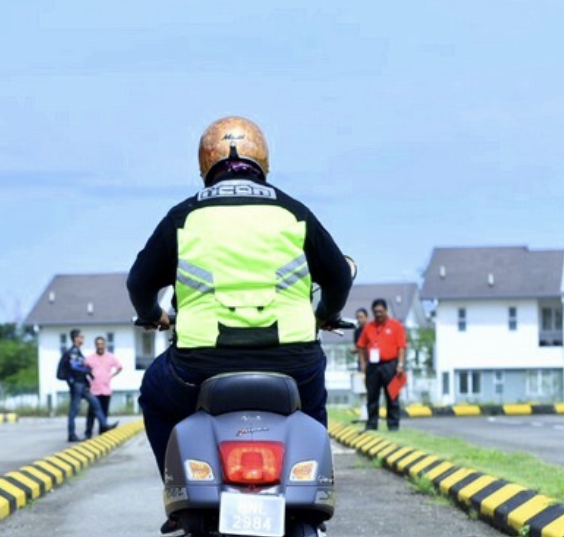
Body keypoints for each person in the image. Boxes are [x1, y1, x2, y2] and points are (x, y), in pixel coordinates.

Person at [128, 115, 353, 476]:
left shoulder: (184, 216)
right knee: (312, 411)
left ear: (205, 163)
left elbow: (139, 283)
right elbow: (339, 276)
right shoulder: (294, 212)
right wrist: (326, 313)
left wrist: (154, 315)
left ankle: (178, 484)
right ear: (263, 160)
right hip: (293, 363)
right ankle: (313, 483)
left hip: (200, 366)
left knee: (154, 394)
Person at [357, 297, 407, 431]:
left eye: (380, 311)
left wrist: (400, 365)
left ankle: (393, 425)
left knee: (392, 396)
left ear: (386, 310)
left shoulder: (396, 326)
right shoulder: (369, 327)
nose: (378, 314)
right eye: (375, 312)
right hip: (373, 366)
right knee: (372, 396)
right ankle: (372, 424)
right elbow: (361, 346)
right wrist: (363, 363)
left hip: (391, 365)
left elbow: (402, 347)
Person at [59, 329, 114, 442]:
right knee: (74, 409)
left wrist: (88, 377)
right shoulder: (73, 352)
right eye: (81, 337)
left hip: (83, 385)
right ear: (76, 339)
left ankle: (104, 425)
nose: (83, 339)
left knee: (95, 404)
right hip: (77, 385)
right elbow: (75, 366)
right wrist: (87, 369)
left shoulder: (77, 351)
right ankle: (71, 434)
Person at [84, 335, 122, 439]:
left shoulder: (110, 357)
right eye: (98, 344)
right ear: (95, 345)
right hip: (93, 390)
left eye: (102, 344)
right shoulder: (90, 358)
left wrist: (111, 376)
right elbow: (83, 370)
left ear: (105, 345)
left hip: (105, 389)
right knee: (91, 413)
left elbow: (119, 367)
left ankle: (102, 432)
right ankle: (88, 433)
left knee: (104, 412)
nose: (100, 346)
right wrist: (87, 382)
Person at [353, 307, 370, 372]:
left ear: (366, 317)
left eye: (361, 317)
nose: (359, 320)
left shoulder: (372, 329)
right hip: (361, 360)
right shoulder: (357, 332)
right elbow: (357, 346)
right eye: (357, 318)